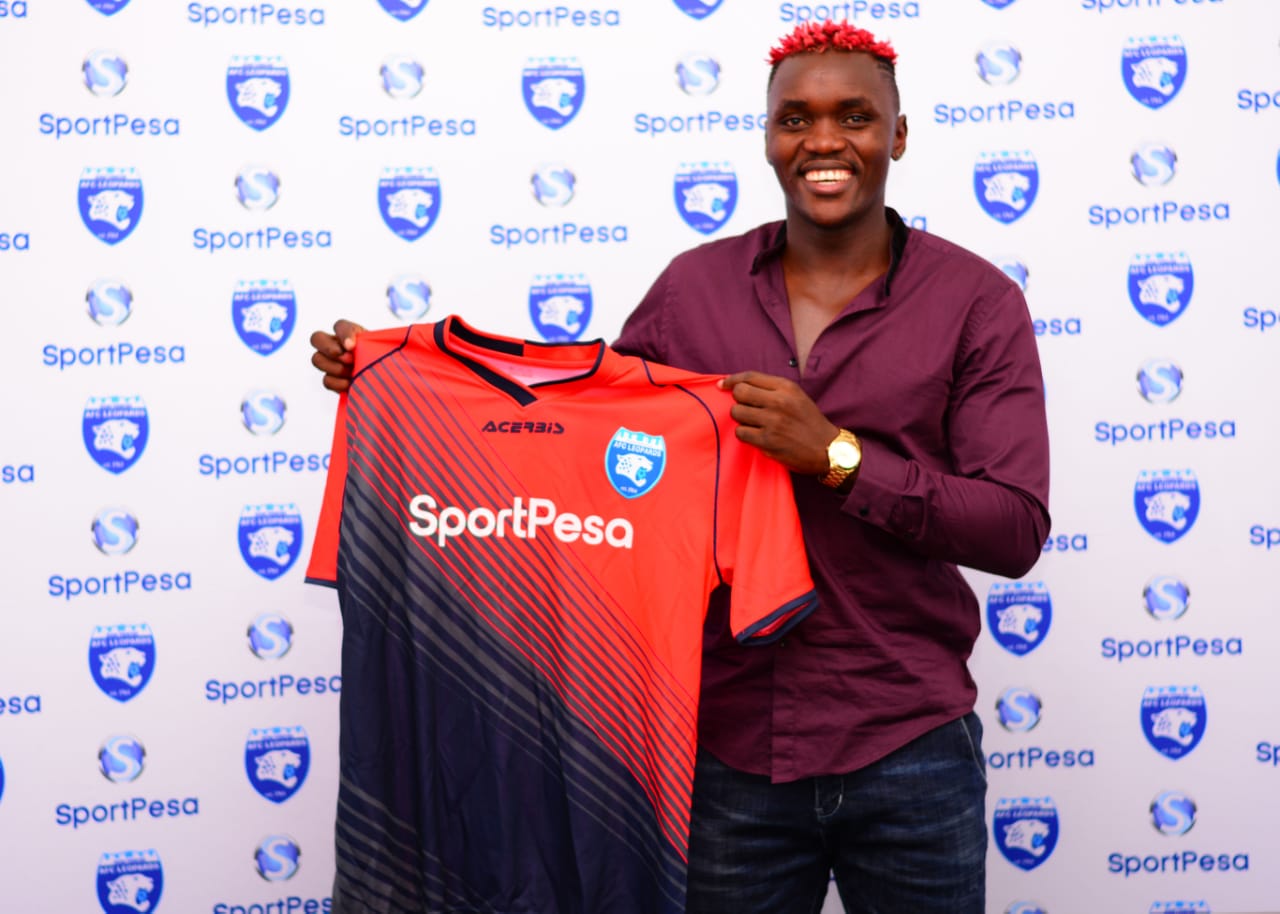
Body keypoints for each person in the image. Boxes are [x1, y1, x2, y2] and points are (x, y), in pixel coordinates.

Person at [310, 20, 1051, 914]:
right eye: (795, 119)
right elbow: (582, 434)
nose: (822, 140)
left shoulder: (977, 304)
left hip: (908, 744)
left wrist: (838, 458)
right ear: (768, 138)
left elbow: (1013, 529)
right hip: (724, 752)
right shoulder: (692, 289)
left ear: (897, 135)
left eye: (854, 117)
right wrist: (405, 381)